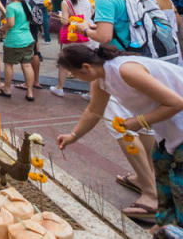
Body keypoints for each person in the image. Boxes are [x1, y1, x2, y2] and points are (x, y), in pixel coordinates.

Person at [72, 0, 162, 221]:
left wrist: (83, 30)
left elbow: (104, 35)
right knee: (144, 123)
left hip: (122, 66)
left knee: (120, 126)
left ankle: (150, 194)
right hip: (149, 63)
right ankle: (147, 178)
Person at [56, 44, 183, 226]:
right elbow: (94, 111)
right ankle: (164, 227)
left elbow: (176, 103)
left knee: (178, 183)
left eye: (74, 73)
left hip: (178, 126)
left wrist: (138, 121)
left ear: (86, 67)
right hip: (168, 132)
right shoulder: (102, 80)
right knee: (162, 174)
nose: (72, 77)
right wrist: (73, 136)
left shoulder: (125, 70)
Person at [50, 0, 96, 97]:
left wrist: (61, 15)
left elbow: (65, 22)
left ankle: (60, 88)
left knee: (64, 62)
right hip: (89, 34)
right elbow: (91, 13)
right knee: (91, 63)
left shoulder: (66, 2)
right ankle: (91, 93)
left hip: (74, 36)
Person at [5, 0, 43, 92]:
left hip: (19, 23)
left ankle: (24, 84)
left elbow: (10, 18)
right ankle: (35, 82)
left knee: (13, 61)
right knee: (34, 52)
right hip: (31, 19)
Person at [0, 0, 37, 100]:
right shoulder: (26, 5)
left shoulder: (11, 7)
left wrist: (1, 29)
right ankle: (30, 92)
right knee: (27, 65)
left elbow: (10, 24)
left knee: (9, 64)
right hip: (28, 39)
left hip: (14, 41)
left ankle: (7, 89)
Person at [140, 0, 183, 64]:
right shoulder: (168, 0)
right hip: (174, 43)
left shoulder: (150, 1)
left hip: (161, 46)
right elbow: (178, 22)